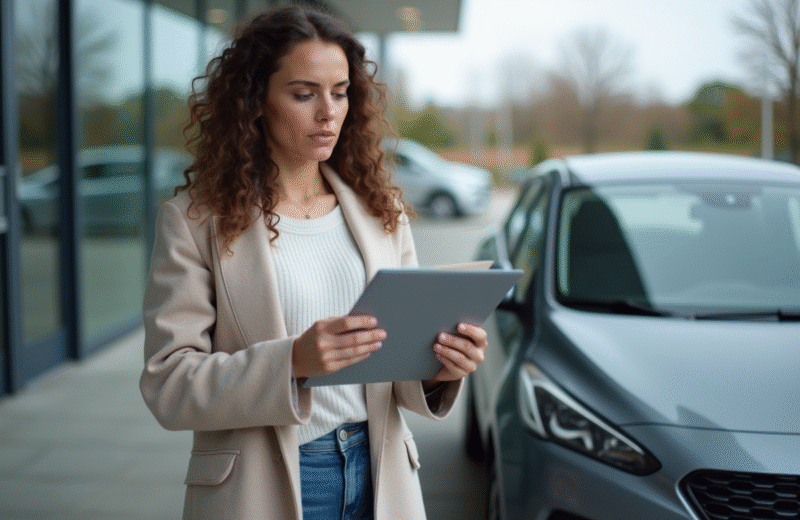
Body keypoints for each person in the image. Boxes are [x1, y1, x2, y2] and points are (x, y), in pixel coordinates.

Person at [139, 5, 489, 520]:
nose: (328, 112)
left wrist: (440, 368)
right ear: (255, 100)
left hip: (380, 473)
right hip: (265, 484)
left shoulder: (381, 210)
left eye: (340, 92)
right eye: (304, 94)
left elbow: (396, 369)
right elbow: (169, 385)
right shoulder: (193, 222)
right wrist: (293, 363)